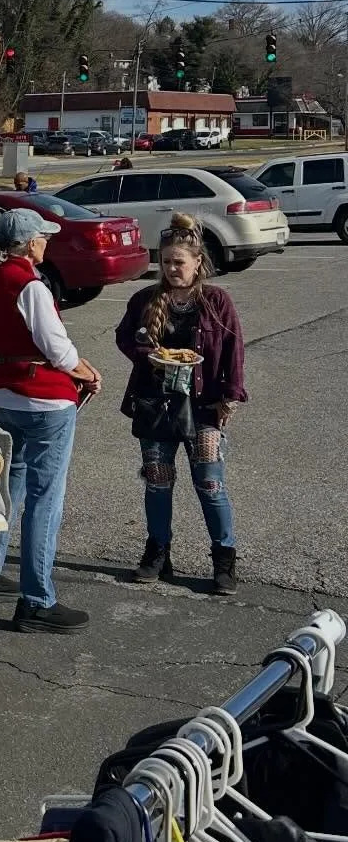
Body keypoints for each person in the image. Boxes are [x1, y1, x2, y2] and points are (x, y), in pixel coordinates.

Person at [0, 209, 101, 633]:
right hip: (41, 397)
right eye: (43, 237)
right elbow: (57, 349)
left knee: (9, 484)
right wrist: (85, 370)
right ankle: (36, 599)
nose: (47, 242)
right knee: (45, 500)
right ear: (29, 243)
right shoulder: (29, 285)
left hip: (3, 391)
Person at [115, 213, 245, 595]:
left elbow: (235, 350)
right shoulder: (145, 299)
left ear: (197, 263)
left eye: (179, 262)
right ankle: (158, 552)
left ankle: (224, 559)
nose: (172, 269)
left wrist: (231, 397)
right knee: (157, 481)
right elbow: (126, 338)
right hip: (157, 405)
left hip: (205, 406)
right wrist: (146, 355)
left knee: (209, 482)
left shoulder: (217, 300)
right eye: (167, 262)